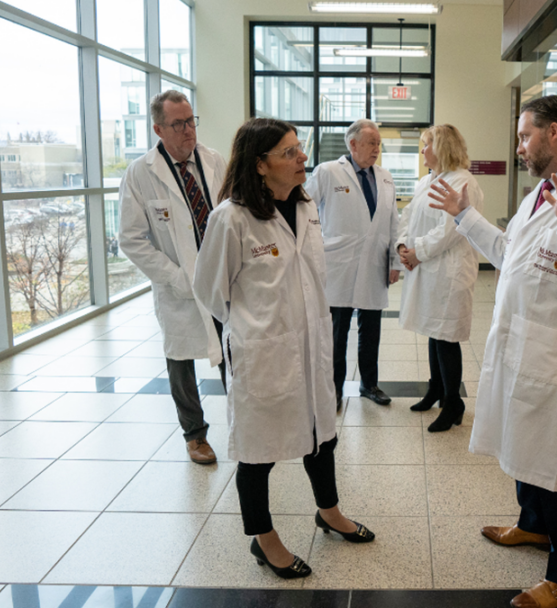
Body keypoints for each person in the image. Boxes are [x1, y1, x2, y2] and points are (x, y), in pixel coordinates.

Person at [428, 96, 557, 608]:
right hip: (519, 344)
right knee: (523, 441)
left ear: (555, 134)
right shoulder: (538, 194)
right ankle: (534, 524)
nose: (519, 147)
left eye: (525, 136)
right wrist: (465, 216)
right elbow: (507, 254)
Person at [193, 118, 375, 580]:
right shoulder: (230, 218)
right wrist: (255, 330)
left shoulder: (306, 204)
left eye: (300, 149)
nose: (302, 159)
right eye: (289, 152)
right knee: (258, 452)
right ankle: (264, 539)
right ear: (259, 164)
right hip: (264, 352)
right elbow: (209, 290)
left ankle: (328, 512)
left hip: (312, 344)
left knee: (322, 434)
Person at [118, 90, 225, 465]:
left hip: (220, 276)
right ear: (158, 129)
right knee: (181, 361)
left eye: (191, 120)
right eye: (178, 124)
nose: (188, 130)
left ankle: (245, 420)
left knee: (233, 348)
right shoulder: (140, 174)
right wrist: (175, 277)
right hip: (179, 284)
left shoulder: (214, 161)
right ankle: (195, 435)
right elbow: (130, 238)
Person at [304, 119, 400, 407]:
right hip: (337, 265)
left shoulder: (384, 176)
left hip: (374, 263)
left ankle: (369, 384)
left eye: (379, 144)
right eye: (372, 143)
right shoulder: (328, 172)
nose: (376, 149)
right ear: (353, 144)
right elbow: (305, 208)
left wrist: (395, 261)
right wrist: (314, 248)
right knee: (337, 332)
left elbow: (394, 220)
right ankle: (333, 389)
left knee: (371, 330)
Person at [396, 124, 484, 432]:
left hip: (449, 271)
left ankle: (453, 402)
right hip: (427, 266)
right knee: (433, 330)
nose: (422, 151)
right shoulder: (427, 181)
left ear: (442, 147)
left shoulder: (463, 183)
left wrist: (417, 251)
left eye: (426, 145)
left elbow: (450, 230)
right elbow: (407, 216)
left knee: (446, 336)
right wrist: (403, 246)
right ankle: (435, 390)